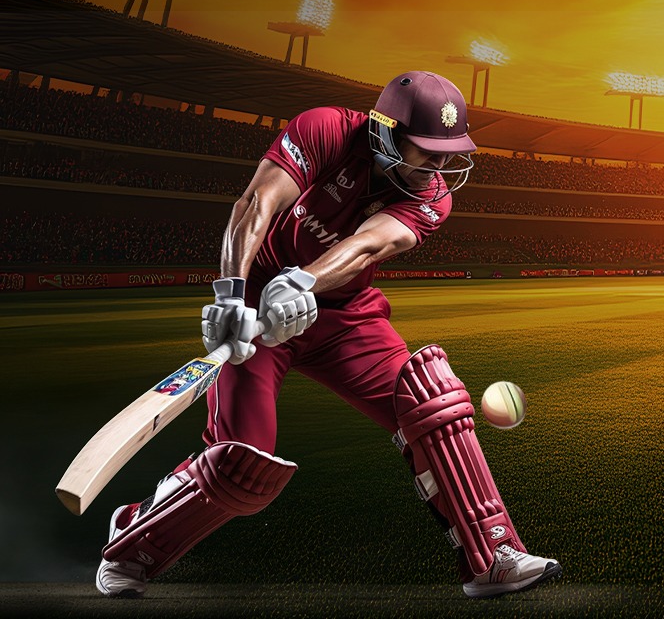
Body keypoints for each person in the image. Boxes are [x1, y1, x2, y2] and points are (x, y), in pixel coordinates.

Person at [95, 71, 561, 598]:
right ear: (386, 132)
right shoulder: (324, 129)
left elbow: (368, 245)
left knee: (432, 400)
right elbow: (256, 205)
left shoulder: (434, 197)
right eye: (427, 149)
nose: (439, 164)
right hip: (256, 303)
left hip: (345, 316)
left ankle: (493, 555)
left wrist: (304, 282)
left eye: (447, 150)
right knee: (239, 464)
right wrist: (231, 294)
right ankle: (132, 536)